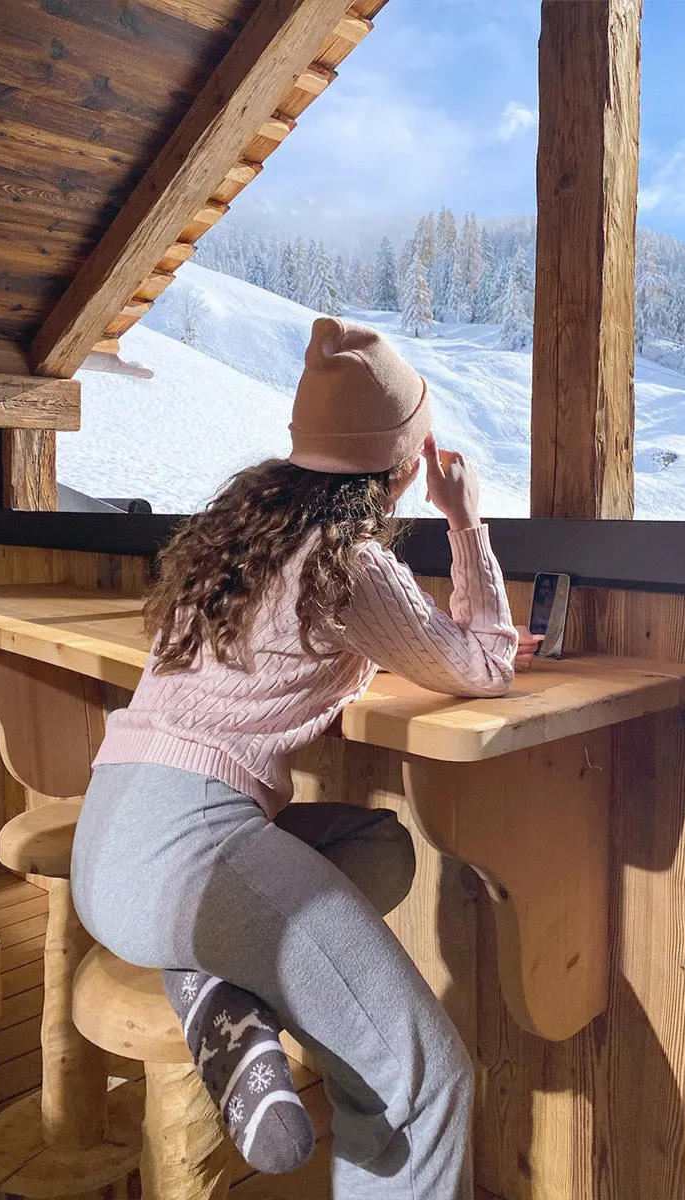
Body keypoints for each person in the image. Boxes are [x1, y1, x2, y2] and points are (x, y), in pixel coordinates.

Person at [70, 317, 539, 1198]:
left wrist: (396, 650)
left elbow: (289, 653)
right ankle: (215, 968)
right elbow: (486, 665)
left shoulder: (233, 537)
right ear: (403, 461)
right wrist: (466, 519)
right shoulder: (350, 563)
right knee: (429, 1082)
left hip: (110, 839)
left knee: (383, 846)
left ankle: (216, 982)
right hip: (189, 856)